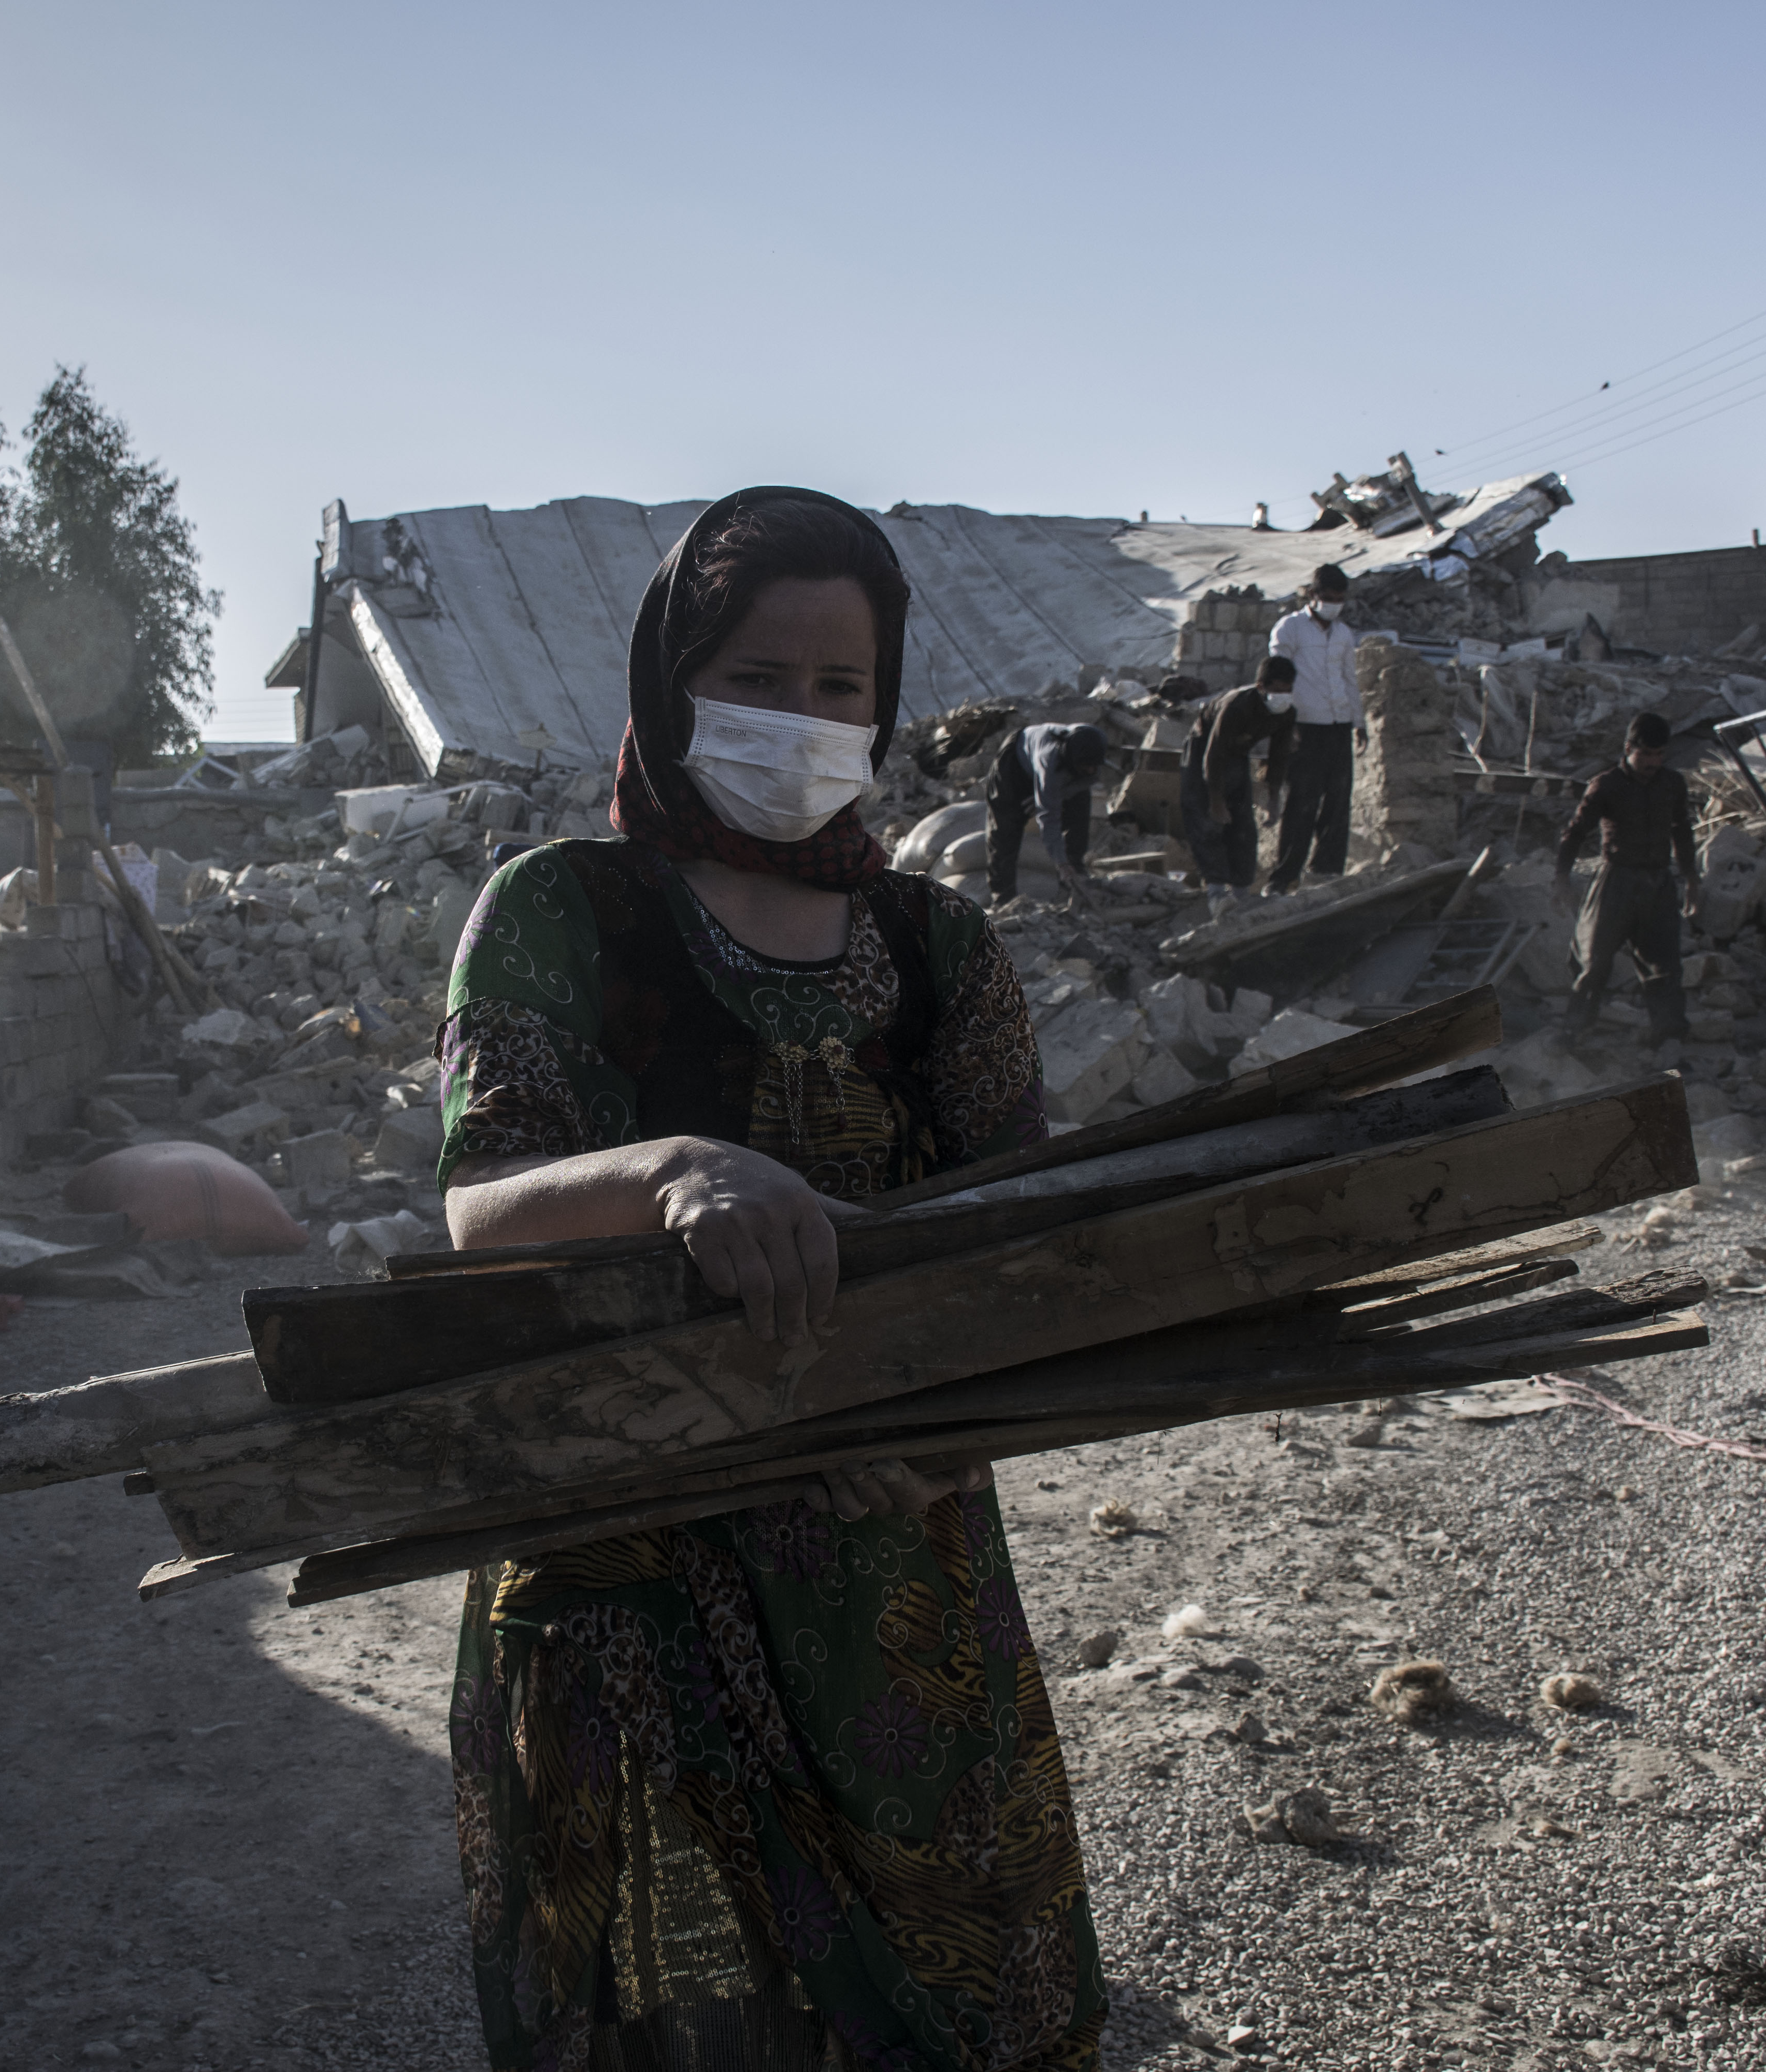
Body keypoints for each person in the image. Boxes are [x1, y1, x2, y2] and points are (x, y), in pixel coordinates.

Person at [434, 487, 1104, 2072]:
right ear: (672, 684)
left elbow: (1030, 1256)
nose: (798, 716)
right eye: (753, 678)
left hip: (893, 1580)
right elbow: (482, 1207)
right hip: (625, 1591)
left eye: (837, 686)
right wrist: (674, 1169)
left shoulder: (940, 952)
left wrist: (947, 1442)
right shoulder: (560, 912)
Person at [1555, 711, 1700, 1042]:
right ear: (1628, 749)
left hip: (1658, 883)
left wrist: (1691, 878)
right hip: (1617, 881)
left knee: (1665, 964)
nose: (1653, 762)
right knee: (1593, 960)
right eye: (1646, 754)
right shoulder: (1607, 785)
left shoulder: (1672, 784)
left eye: (1659, 754)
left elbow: (1682, 831)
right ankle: (1576, 1029)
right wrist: (1561, 878)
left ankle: (1669, 1037)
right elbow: (1575, 833)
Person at [1264, 563, 1363, 891]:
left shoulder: (1344, 634)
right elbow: (1277, 675)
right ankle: (1284, 877)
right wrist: (1282, 722)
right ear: (1314, 595)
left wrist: (1359, 722)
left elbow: (1350, 679)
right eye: (1329, 598)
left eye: (1340, 599)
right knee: (1301, 803)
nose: (1334, 605)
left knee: (1338, 802)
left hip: (1339, 725)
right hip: (1304, 727)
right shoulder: (1290, 628)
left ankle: (1327, 872)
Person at [1178, 654, 1298, 893]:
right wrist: (1216, 802)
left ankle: (1241, 889)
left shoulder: (1286, 713)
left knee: (1243, 824)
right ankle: (1216, 889)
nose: (1283, 697)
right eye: (1278, 691)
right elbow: (1214, 755)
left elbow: (1279, 756)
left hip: (1238, 753)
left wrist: (1274, 799)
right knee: (1206, 819)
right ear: (1261, 687)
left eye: (1288, 691)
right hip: (1204, 748)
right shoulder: (1236, 707)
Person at [983, 718, 1111, 907]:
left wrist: (1060, 794)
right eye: (1088, 766)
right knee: (1005, 830)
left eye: (1095, 766)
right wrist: (1061, 864)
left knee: (1079, 809)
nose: (1092, 770)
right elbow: (1049, 818)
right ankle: (1004, 899)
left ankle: (1075, 880)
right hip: (1015, 764)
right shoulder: (1050, 762)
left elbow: (1089, 780)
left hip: (1064, 770)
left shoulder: (1095, 745)